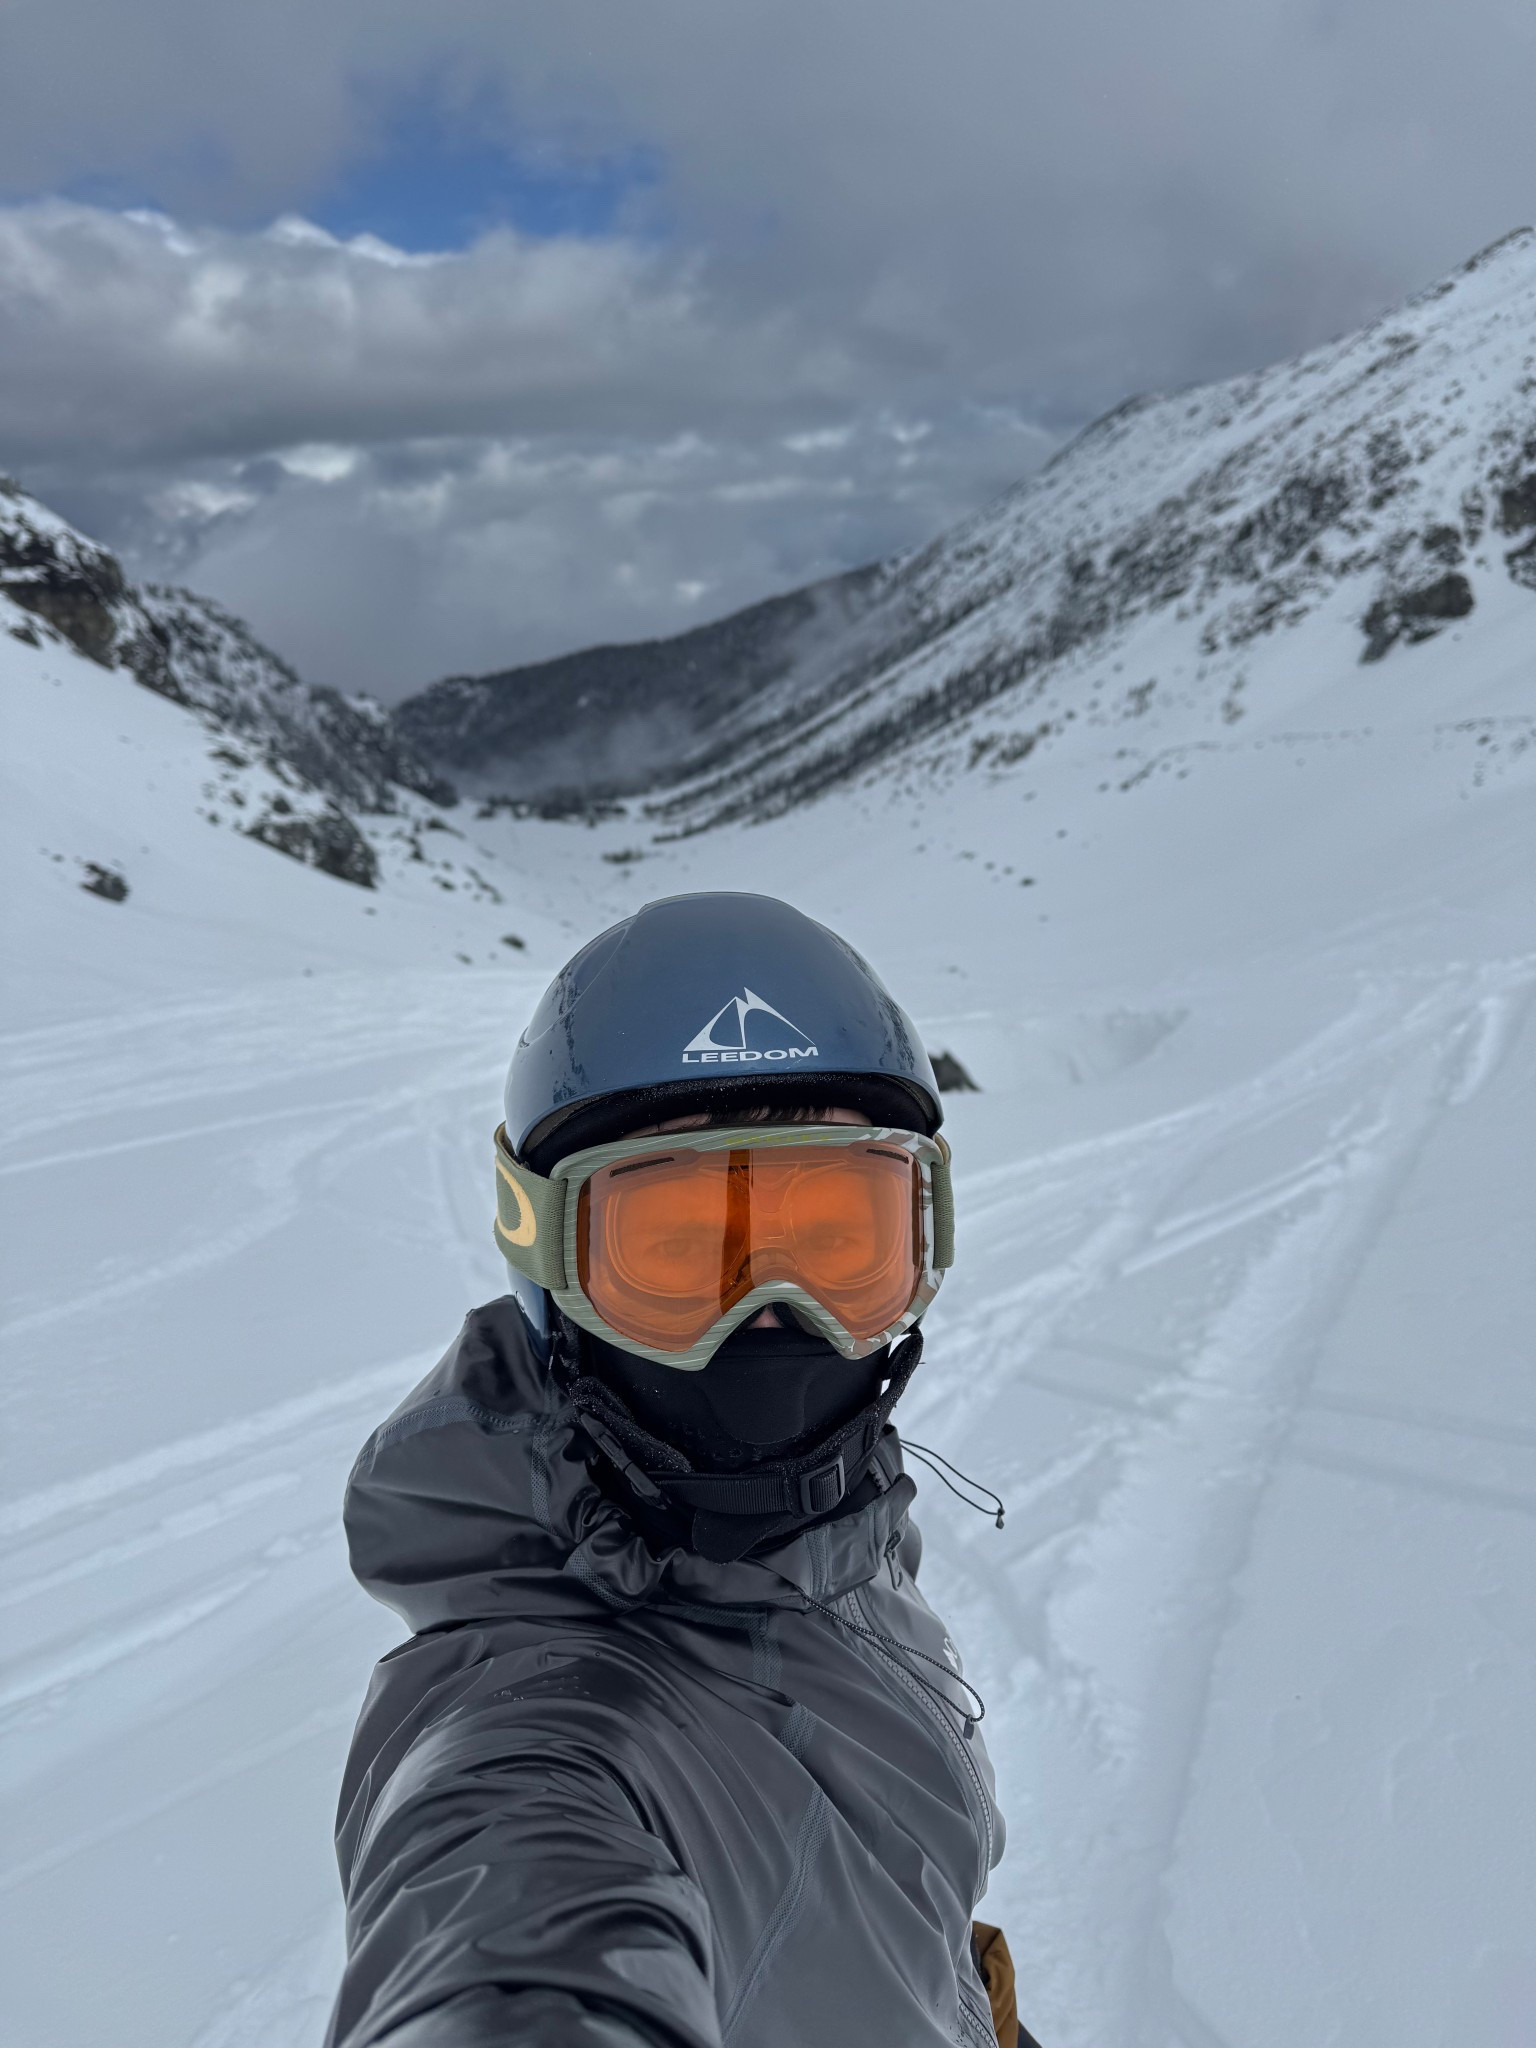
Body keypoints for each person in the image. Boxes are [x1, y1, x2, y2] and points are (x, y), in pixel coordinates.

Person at [325, 890, 1024, 2048]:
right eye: (681, 1248)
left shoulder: (839, 1541)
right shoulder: (539, 1735)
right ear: (549, 1257)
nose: (773, 1316)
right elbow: (507, 1915)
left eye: (839, 1240)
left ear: (922, 1237)